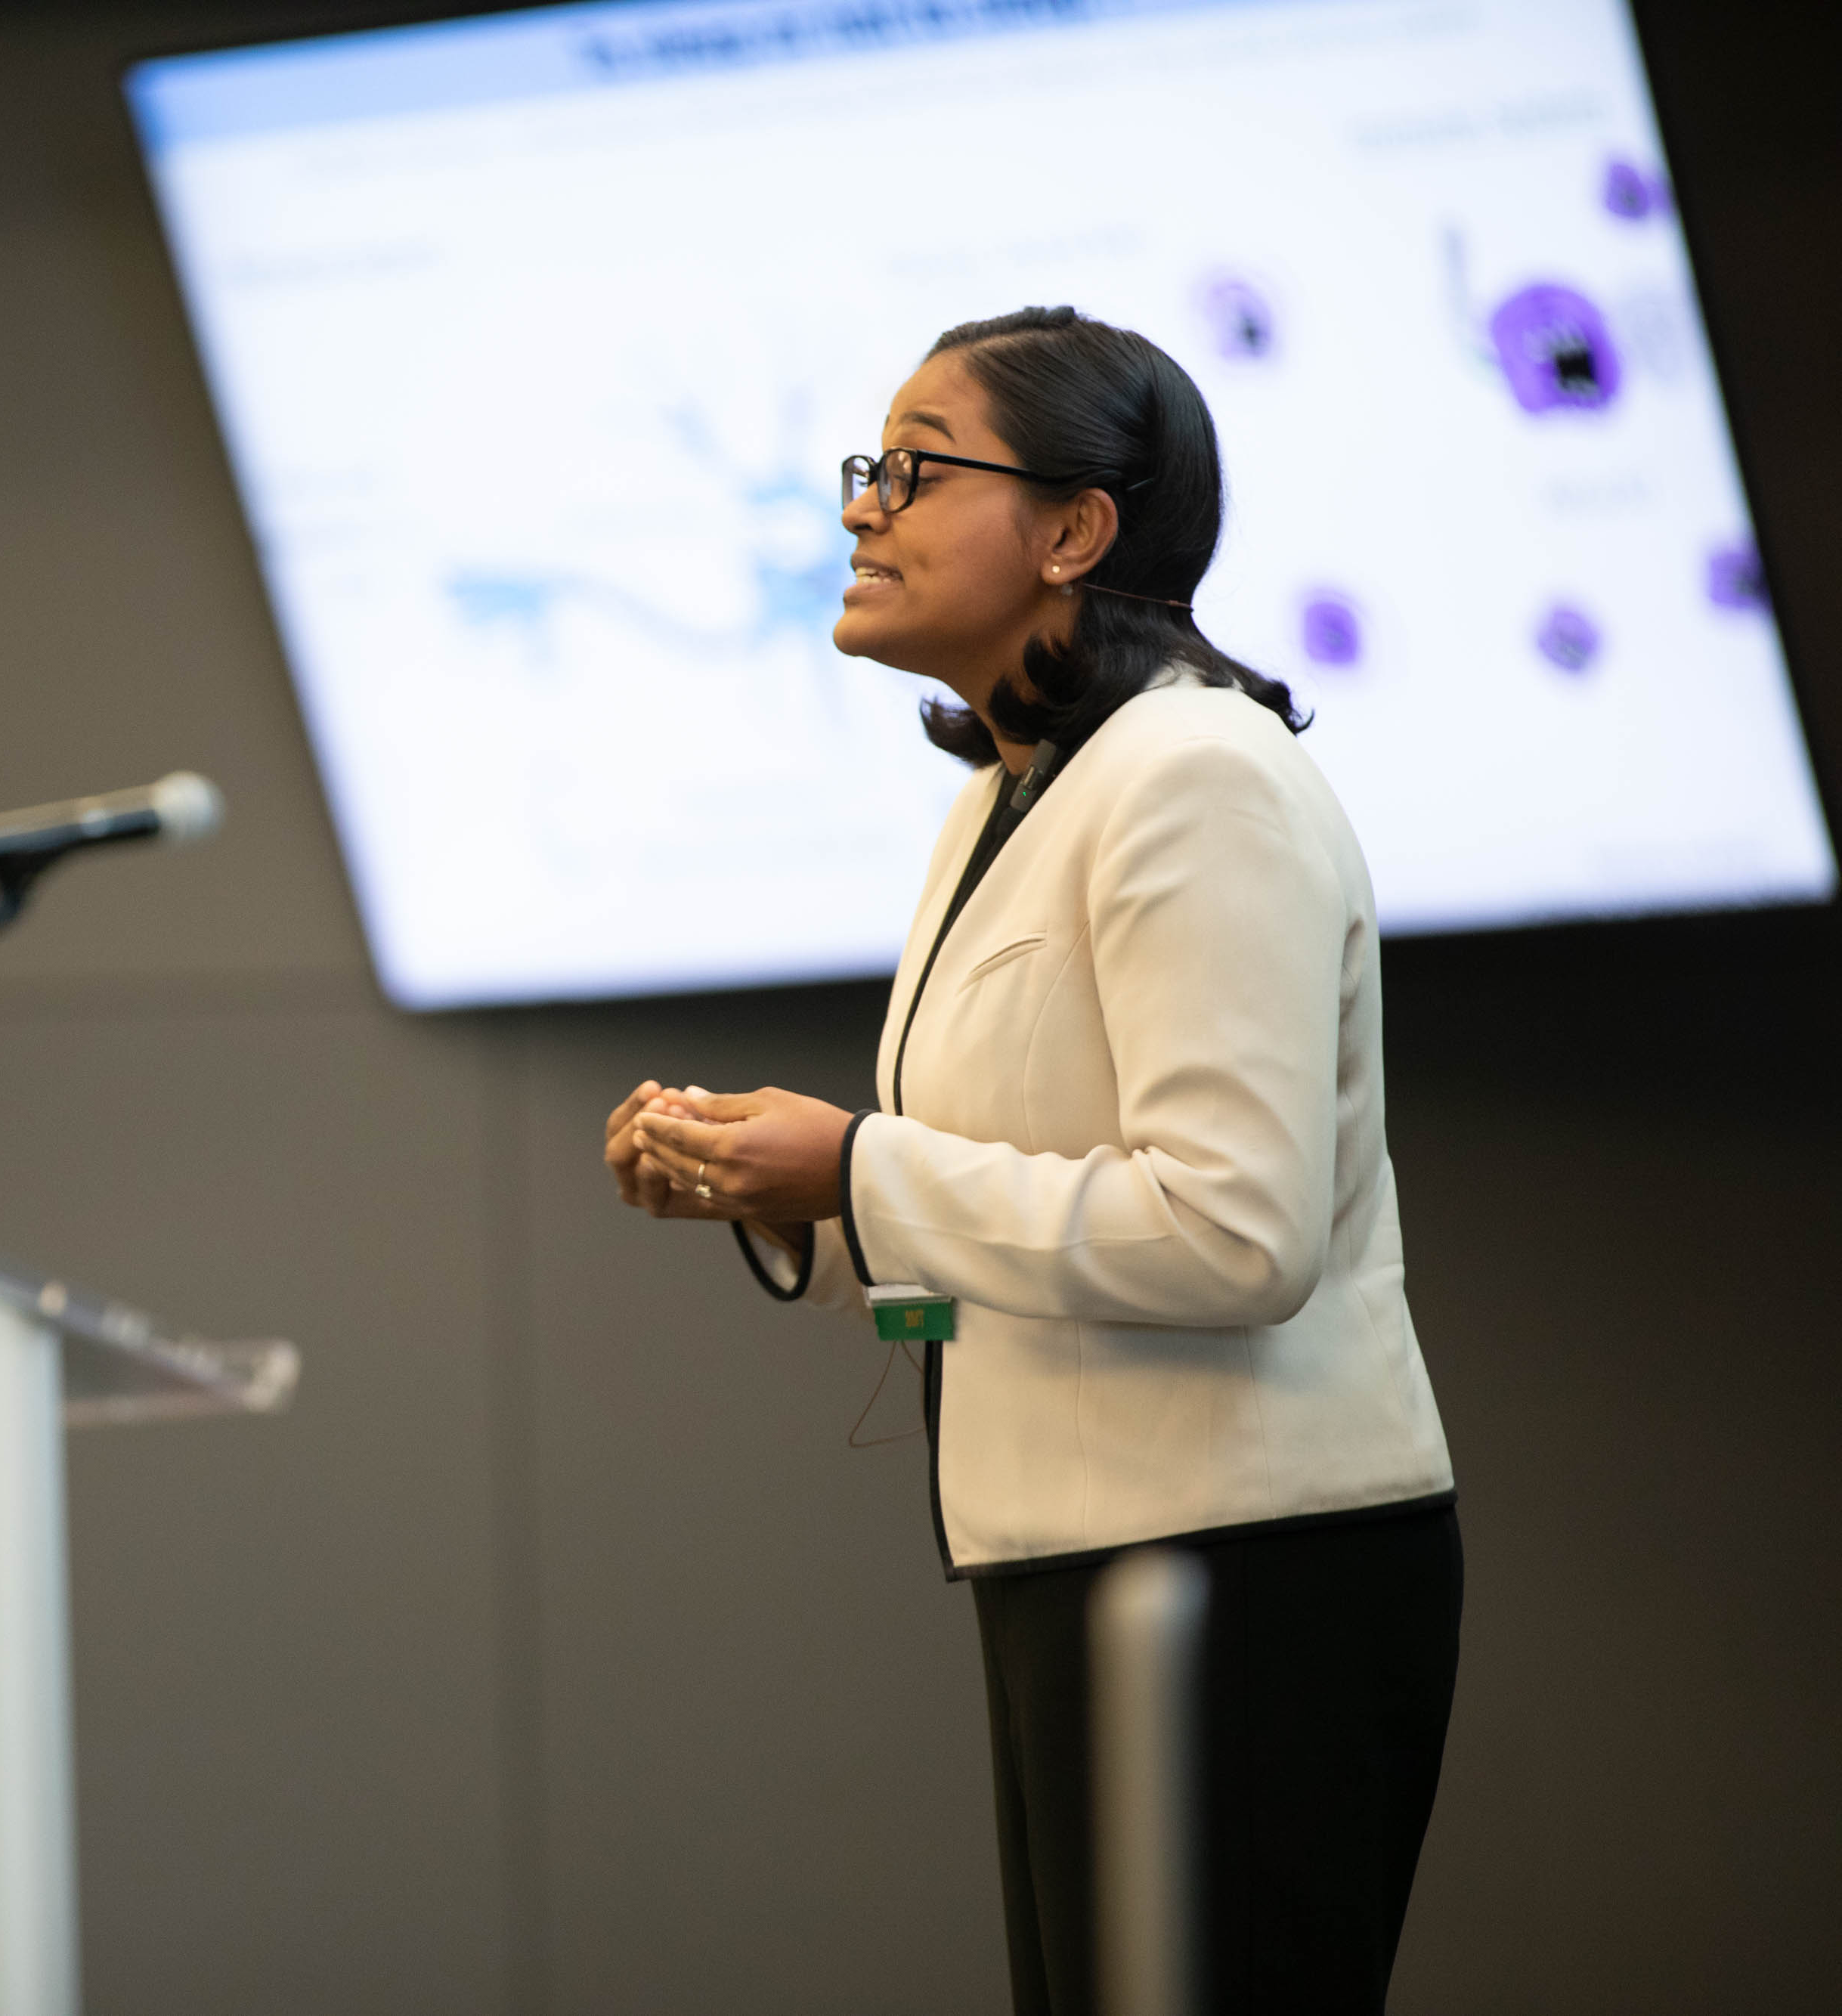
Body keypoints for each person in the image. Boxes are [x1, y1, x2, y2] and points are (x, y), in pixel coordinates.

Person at [602, 307, 1460, 2014]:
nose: (861, 509)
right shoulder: (1006, 796)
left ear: (1074, 530)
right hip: (1068, 1560)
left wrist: (852, 1163)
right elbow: (997, 1214)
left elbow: (1230, 1233)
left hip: (1243, 1563)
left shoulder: (1193, 776)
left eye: (913, 470)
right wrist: (780, 1192)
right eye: (868, 471)